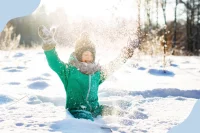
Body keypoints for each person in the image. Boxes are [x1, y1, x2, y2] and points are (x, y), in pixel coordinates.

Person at [38, 26, 138, 121]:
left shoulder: (96, 73)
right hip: (77, 111)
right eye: (85, 54)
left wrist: (125, 54)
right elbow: (54, 62)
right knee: (87, 119)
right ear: (78, 56)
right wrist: (49, 45)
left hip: (95, 110)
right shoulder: (69, 71)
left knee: (117, 113)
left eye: (91, 55)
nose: (88, 57)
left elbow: (112, 66)